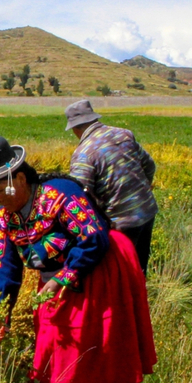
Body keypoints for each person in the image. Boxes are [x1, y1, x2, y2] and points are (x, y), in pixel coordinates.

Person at [0, 136, 156, 383]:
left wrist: (63, 279)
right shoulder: (5, 218)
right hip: (53, 280)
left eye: (0, 190)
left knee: (72, 341)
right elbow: (3, 269)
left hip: (95, 269)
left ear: (18, 178)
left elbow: (93, 237)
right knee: (55, 339)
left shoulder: (60, 194)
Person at [65, 99, 158, 272]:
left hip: (120, 223)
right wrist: (141, 190)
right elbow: (149, 165)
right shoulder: (124, 134)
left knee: (121, 275)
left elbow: (78, 197)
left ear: (76, 128)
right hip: (147, 211)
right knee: (139, 269)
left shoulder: (84, 153)